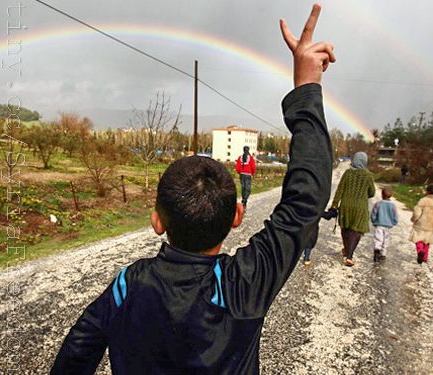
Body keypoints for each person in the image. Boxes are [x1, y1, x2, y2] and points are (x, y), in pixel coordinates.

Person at [51, 4, 335, 374]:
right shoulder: (244, 283)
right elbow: (305, 202)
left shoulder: (128, 284)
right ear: (237, 216)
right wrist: (307, 87)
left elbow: (77, 349)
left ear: (157, 221)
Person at [331, 152, 375, 267]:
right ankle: (349, 256)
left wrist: (334, 205)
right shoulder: (368, 175)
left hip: (346, 206)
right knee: (357, 231)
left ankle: (346, 249)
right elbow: (372, 192)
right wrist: (362, 195)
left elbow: (340, 190)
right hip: (360, 207)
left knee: (345, 228)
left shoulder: (348, 173)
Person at [409, 184, 433, 264]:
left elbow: (417, 213)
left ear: (428, 191)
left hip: (421, 224)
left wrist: (414, 220)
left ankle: (420, 251)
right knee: (427, 242)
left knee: (418, 239)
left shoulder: (423, 200)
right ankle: (425, 258)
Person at [370, 186, 398, 262]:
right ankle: (383, 253)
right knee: (386, 239)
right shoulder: (393, 205)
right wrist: (394, 222)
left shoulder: (378, 204)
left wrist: (373, 221)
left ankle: (377, 248)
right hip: (388, 225)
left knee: (378, 237)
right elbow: (395, 215)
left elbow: (373, 214)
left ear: (382, 194)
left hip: (379, 224)